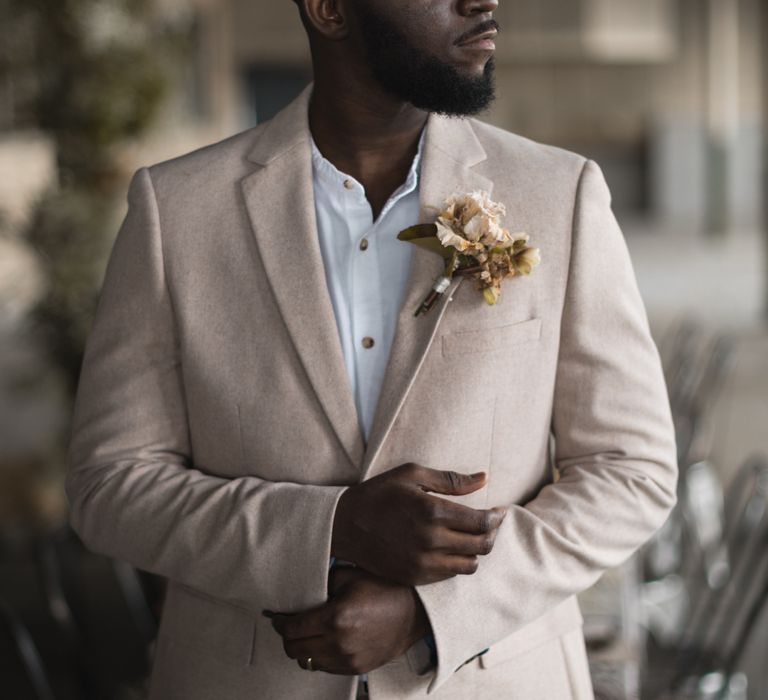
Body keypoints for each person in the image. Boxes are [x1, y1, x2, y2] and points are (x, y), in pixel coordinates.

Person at [64, 0, 678, 698]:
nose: (483, 2)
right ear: (328, 10)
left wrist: (431, 613)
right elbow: (108, 484)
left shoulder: (560, 194)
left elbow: (633, 470)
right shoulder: (176, 211)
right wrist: (330, 531)